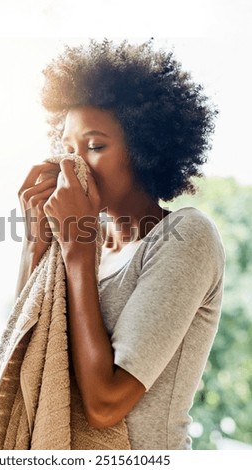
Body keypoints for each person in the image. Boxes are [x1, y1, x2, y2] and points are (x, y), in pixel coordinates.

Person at [15, 38, 226, 450]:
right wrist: (34, 240)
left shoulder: (185, 237)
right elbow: (25, 354)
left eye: (95, 147)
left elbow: (106, 405)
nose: (74, 165)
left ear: (146, 150)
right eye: (68, 149)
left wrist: (78, 247)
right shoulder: (84, 243)